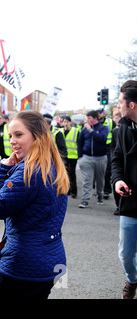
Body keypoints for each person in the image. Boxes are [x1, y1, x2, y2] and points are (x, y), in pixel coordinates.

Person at [0, 110, 69, 299]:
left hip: (25, 264)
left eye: (18, 134)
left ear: (37, 135)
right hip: (48, 258)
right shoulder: (50, 163)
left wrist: (2, 170)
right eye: (10, 136)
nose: (12, 141)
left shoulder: (30, 170)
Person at [111, 80, 137, 299]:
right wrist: (118, 180)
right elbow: (117, 160)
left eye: (120, 102)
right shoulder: (121, 130)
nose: (118, 106)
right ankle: (133, 279)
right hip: (130, 201)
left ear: (132, 105)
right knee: (126, 255)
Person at [77, 110, 109, 208]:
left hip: (100, 158)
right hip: (87, 158)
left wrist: (91, 130)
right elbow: (80, 142)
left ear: (95, 118)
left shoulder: (103, 128)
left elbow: (102, 139)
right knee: (87, 180)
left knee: (100, 179)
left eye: (89, 118)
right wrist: (80, 157)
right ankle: (85, 200)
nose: (87, 120)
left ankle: (100, 195)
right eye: (87, 118)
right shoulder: (84, 129)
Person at [98, 108, 116, 199]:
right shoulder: (94, 122)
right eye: (97, 113)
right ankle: (99, 189)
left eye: (100, 113)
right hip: (98, 148)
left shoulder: (111, 122)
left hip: (108, 148)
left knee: (107, 170)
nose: (99, 114)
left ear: (104, 114)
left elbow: (116, 134)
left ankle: (106, 190)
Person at [62, 116, 80, 198]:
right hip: (63, 156)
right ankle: (67, 190)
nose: (65, 123)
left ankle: (74, 192)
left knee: (72, 173)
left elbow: (79, 143)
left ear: (70, 122)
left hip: (73, 155)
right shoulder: (60, 131)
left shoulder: (75, 131)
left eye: (67, 122)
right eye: (64, 122)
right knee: (65, 174)